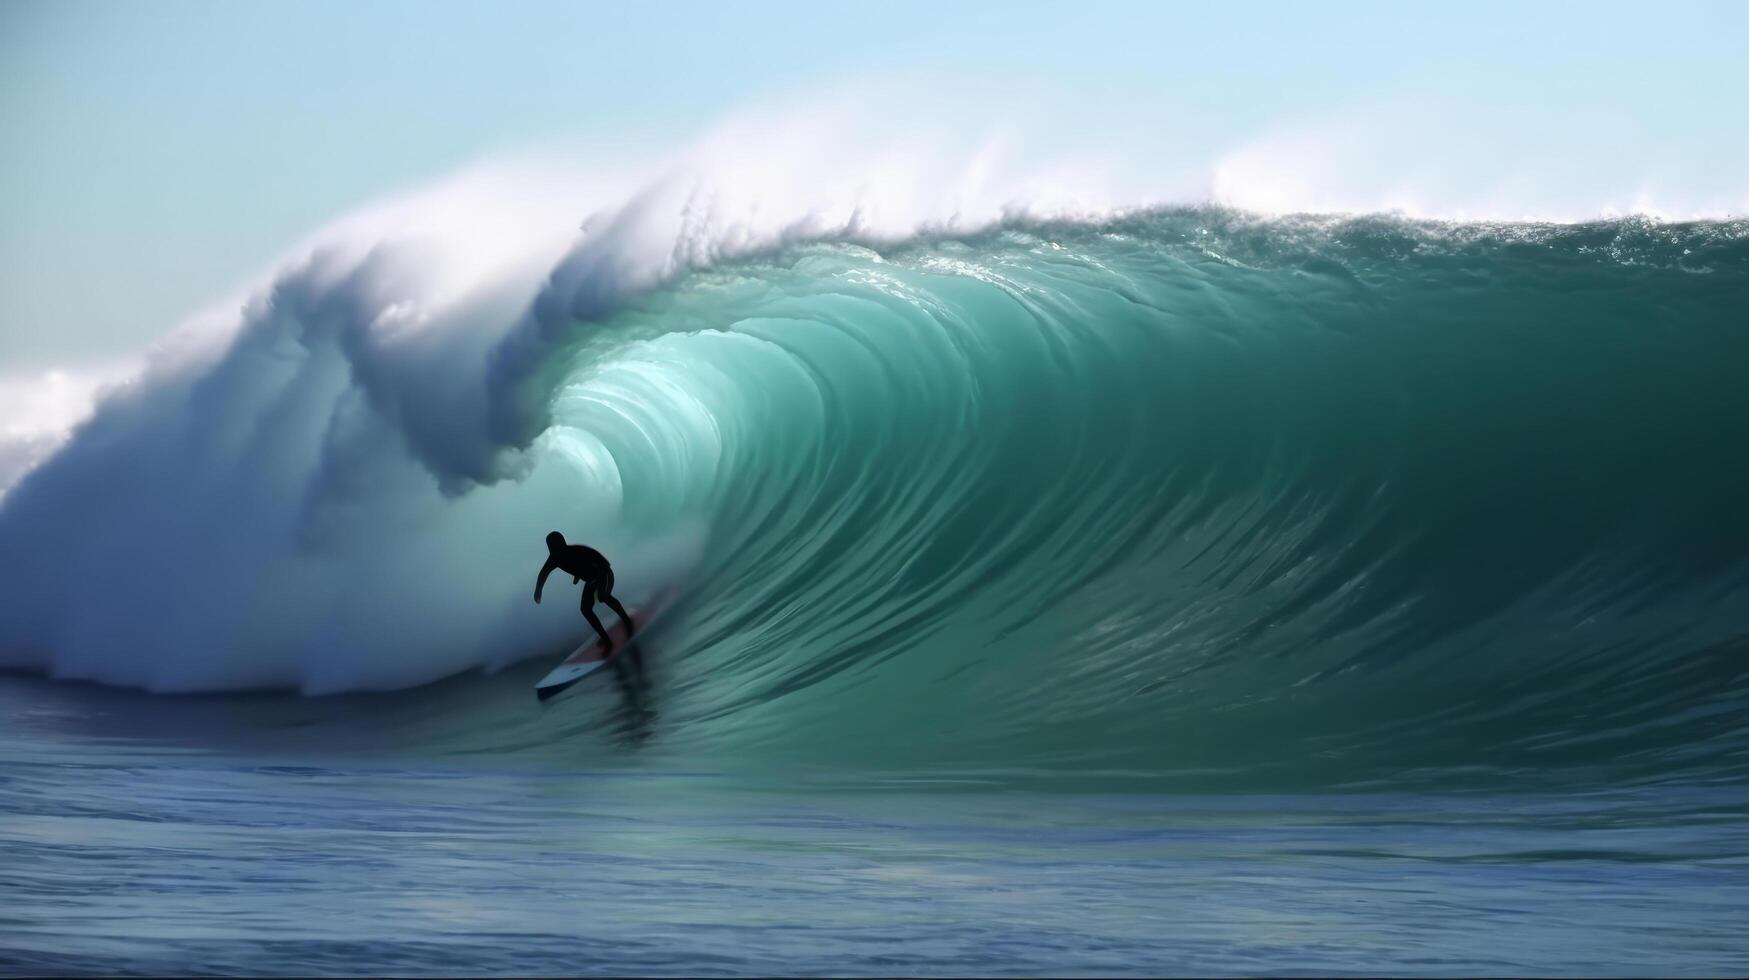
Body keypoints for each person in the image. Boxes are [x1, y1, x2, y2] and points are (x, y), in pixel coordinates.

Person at [534, 531, 635, 654]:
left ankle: (627, 621)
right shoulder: (554, 559)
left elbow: (600, 561)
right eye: (552, 546)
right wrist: (538, 591)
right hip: (591, 581)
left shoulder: (574, 550)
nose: (555, 549)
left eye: (556, 545)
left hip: (604, 572)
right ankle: (606, 640)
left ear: (562, 543)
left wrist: (594, 574)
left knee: (603, 596)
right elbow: (543, 574)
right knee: (585, 609)